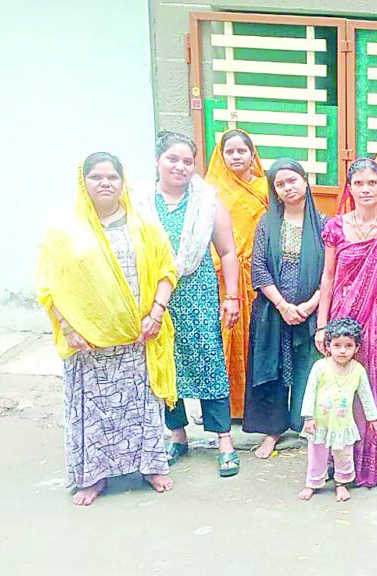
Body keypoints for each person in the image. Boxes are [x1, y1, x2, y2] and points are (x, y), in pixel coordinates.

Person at [37, 152, 177, 505]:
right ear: (82, 181)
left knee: (142, 404)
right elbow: (49, 284)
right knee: (94, 409)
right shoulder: (63, 228)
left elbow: (167, 269)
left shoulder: (142, 223)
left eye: (112, 177)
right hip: (88, 342)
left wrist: (157, 312)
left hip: (138, 334)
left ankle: (150, 466)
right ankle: (93, 477)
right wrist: (68, 328)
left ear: (122, 181)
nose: (105, 183)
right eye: (96, 177)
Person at [144, 131, 241, 477]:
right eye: (173, 159)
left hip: (198, 294)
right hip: (154, 296)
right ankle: (178, 435)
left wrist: (232, 297)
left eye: (188, 161)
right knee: (165, 363)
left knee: (208, 361)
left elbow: (227, 252)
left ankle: (224, 440)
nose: (180, 167)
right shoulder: (141, 203)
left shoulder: (207, 202)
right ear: (157, 161)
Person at [318, 158, 377, 490]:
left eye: (372, 183)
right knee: (341, 387)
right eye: (359, 183)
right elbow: (328, 278)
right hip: (343, 318)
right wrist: (322, 325)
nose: (366, 189)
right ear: (350, 188)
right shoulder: (336, 227)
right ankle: (340, 460)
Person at [244, 159, 326, 459]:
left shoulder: (324, 224)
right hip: (273, 310)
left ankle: (306, 423)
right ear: (274, 190)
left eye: (292, 180)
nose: (288, 187)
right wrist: (282, 305)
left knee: (307, 366)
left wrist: (311, 304)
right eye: (280, 184)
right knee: (274, 369)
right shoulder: (267, 224)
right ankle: (273, 430)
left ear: (305, 181)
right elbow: (259, 268)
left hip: (311, 310)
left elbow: (331, 271)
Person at [204, 129, 269, 419]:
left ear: (253, 154)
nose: (236, 156)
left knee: (257, 339)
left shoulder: (266, 187)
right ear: (221, 156)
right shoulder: (210, 190)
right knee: (223, 339)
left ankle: (253, 406)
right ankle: (223, 406)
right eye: (229, 152)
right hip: (222, 277)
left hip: (258, 275)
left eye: (242, 150)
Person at [298, 317, 377, 502]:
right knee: (316, 454)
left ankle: (341, 483)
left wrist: (373, 418)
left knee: (344, 455)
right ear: (328, 346)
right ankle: (312, 483)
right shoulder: (320, 367)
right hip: (319, 422)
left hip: (343, 423)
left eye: (348, 346)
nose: (342, 350)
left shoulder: (358, 370)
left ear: (357, 347)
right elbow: (310, 392)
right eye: (337, 345)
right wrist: (308, 418)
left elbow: (366, 396)